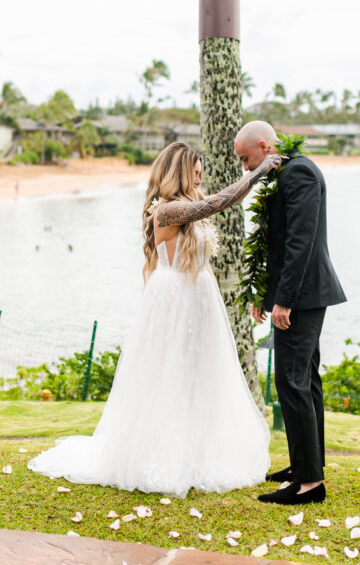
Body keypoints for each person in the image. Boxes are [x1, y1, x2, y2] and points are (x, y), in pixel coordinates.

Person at [28, 142, 281, 497]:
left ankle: (196, 454)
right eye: (194, 171)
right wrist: (257, 172)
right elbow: (222, 201)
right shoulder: (167, 210)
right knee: (170, 374)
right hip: (175, 298)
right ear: (178, 172)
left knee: (197, 374)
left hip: (197, 296)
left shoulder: (185, 206)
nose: (199, 176)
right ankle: (165, 456)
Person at [234, 121, 346, 505]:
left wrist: (284, 301)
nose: (246, 168)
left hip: (303, 296)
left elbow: (300, 241)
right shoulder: (290, 170)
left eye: (246, 159)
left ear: (264, 146)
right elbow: (278, 244)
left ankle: (310, 484)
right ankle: (305, 467)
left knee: (291, 383)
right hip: (303, 293)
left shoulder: (298, 173)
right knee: (305, 381)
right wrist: (266, 294)